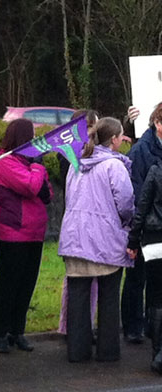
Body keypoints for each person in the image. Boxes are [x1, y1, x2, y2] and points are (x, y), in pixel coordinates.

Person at [59, 117, 134, 362]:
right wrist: (127, 224)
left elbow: (70, 197)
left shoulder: (75, 164)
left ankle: (77, 351)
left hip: (74, 237)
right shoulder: (115, 166)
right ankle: (108, 350)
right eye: (121, 136)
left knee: (78, 296)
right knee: (109, 297)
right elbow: (125, 203)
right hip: (106, 238)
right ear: (114, 139)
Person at [0, 118, 53, 354]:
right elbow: (30, 186)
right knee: (8, 282)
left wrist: (37, 173)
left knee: (27, 283)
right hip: (13, 230)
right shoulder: (4, 161)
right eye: (32, 134)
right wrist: (38, 168)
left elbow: (47, 193)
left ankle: (17, 330)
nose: (35, 139)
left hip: (35, 231)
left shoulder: (29, 162)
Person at [57, 109, 99, 338]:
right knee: (76, 278)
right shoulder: (70, 153)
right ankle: (70, 326)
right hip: (77, 221)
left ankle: (86, 324)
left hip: (89, 221)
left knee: (91, 279)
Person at [123, 102, 162, 344]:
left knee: (157, 286)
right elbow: (135, 192)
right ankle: (132, 326)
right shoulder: (140, 151)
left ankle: (152, 328)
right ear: (158, 124)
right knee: (137, 278)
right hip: (148, 226)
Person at [127, 155, 162, 373]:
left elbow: (142, 207)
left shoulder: (156, 171)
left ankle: (158, 352)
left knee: (157, 298)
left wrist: (133, 240)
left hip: (155, 241)